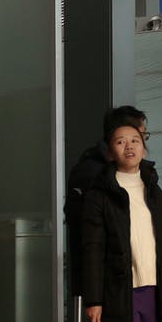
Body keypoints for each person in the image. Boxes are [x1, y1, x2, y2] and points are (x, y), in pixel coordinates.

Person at [82, 120, 162, 322]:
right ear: (111, 152)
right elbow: (92, 250)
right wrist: (94, 299)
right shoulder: (100, 195)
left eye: (135, 140)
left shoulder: (154, 192)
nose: (129, 146)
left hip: (155, 289)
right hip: (121, 291)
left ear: (144, 150)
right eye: (120, 141)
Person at [66, 106, 149, 299]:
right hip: (110, 281)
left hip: (128, 278)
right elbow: (95, 236)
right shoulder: (96, 174)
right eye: (140, 136)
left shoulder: (138, 176)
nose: (142, 144)